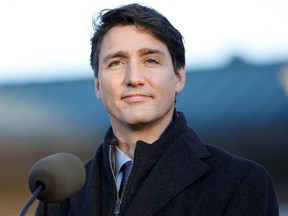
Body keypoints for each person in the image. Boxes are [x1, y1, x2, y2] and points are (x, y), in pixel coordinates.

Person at [36, 3, 279, 216]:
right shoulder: (59, 197)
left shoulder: (241, 182)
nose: (134, 78)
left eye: (150, 60)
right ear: (98, 85)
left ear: (178, 77)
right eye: (116, 63)